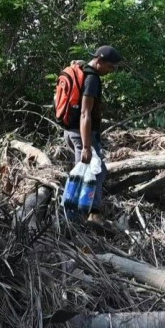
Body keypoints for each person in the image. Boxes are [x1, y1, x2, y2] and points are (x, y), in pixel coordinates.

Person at [63, 45, 123, 224]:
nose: (111, 71)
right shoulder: (92, 79)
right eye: (110, 66)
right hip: (82, 133)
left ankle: (84, 215)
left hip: (71, 131)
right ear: (100, 61)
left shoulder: (81, 69)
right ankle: (81, 218)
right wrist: (87, 146)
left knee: (95, 171)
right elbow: (85, 113)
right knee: (89, 174)